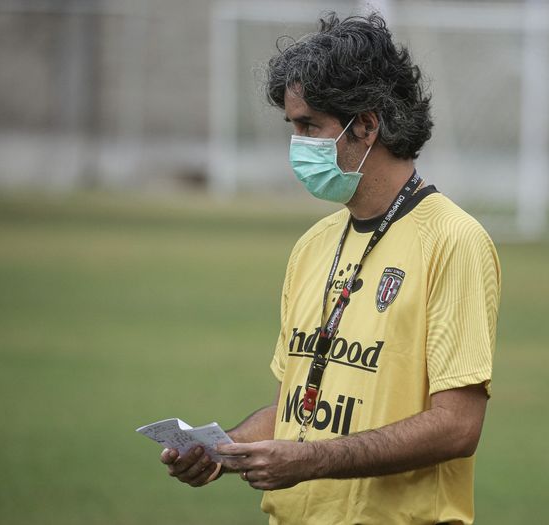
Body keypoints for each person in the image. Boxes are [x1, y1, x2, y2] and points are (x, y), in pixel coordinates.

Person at [161, 12, 501, 525]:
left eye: (308, 127)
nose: (297, 146)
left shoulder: (454, 241)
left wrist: (312, 461)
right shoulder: (312, 246)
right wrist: (223, 450)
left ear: (366, 125)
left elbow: (457, 427)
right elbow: (296, 409)